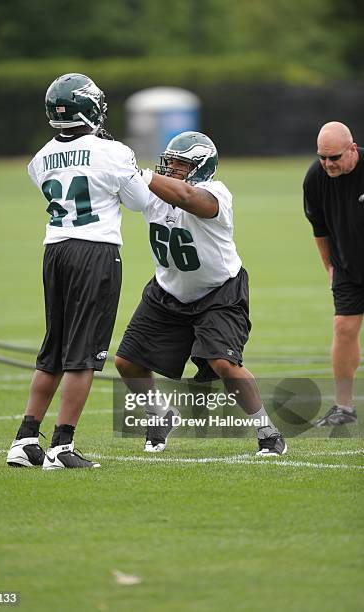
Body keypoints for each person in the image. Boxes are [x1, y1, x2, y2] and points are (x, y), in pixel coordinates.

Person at [6, 73, 149, 469]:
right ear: (89, 107)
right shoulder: (114, 152)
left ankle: (24, 440)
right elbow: (137, 202)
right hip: (95, 250)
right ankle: (62, 446)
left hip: (55, 249)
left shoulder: (39, 159)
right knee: (83, 354)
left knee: (53, 348)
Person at [115, 131, 287, 456]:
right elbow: (125, 192)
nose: (172, 169)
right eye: (171, 163)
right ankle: (160, 415)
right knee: (127, 362)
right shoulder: (156, 191)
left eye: (181, 165)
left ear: (201, 168)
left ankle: (267, 430)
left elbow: (186, 197)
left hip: (219, 291)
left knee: (224, 363)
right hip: (168, 290)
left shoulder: (216, 194)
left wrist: (141, 173)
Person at [303, 121, 363, 427]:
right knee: (343, 329)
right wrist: (329, 267)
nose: (328, 164)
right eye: (322, 157)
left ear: (352, 150)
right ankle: (343, 407)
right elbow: (320, 229)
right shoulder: (315, 178)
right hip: (348, 268)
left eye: (334, 158)